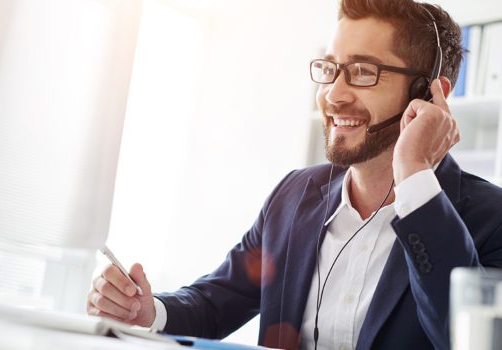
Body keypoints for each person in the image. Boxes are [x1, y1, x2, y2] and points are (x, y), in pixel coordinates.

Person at [87, 1, 502, 349]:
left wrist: (414, 174)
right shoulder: (294, 195)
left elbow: (465, 340)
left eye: (363, 72)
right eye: (330, 68)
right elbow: (218, 300)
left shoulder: (490, 219)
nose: (333, 94)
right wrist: (147, 311)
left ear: (429, 94)